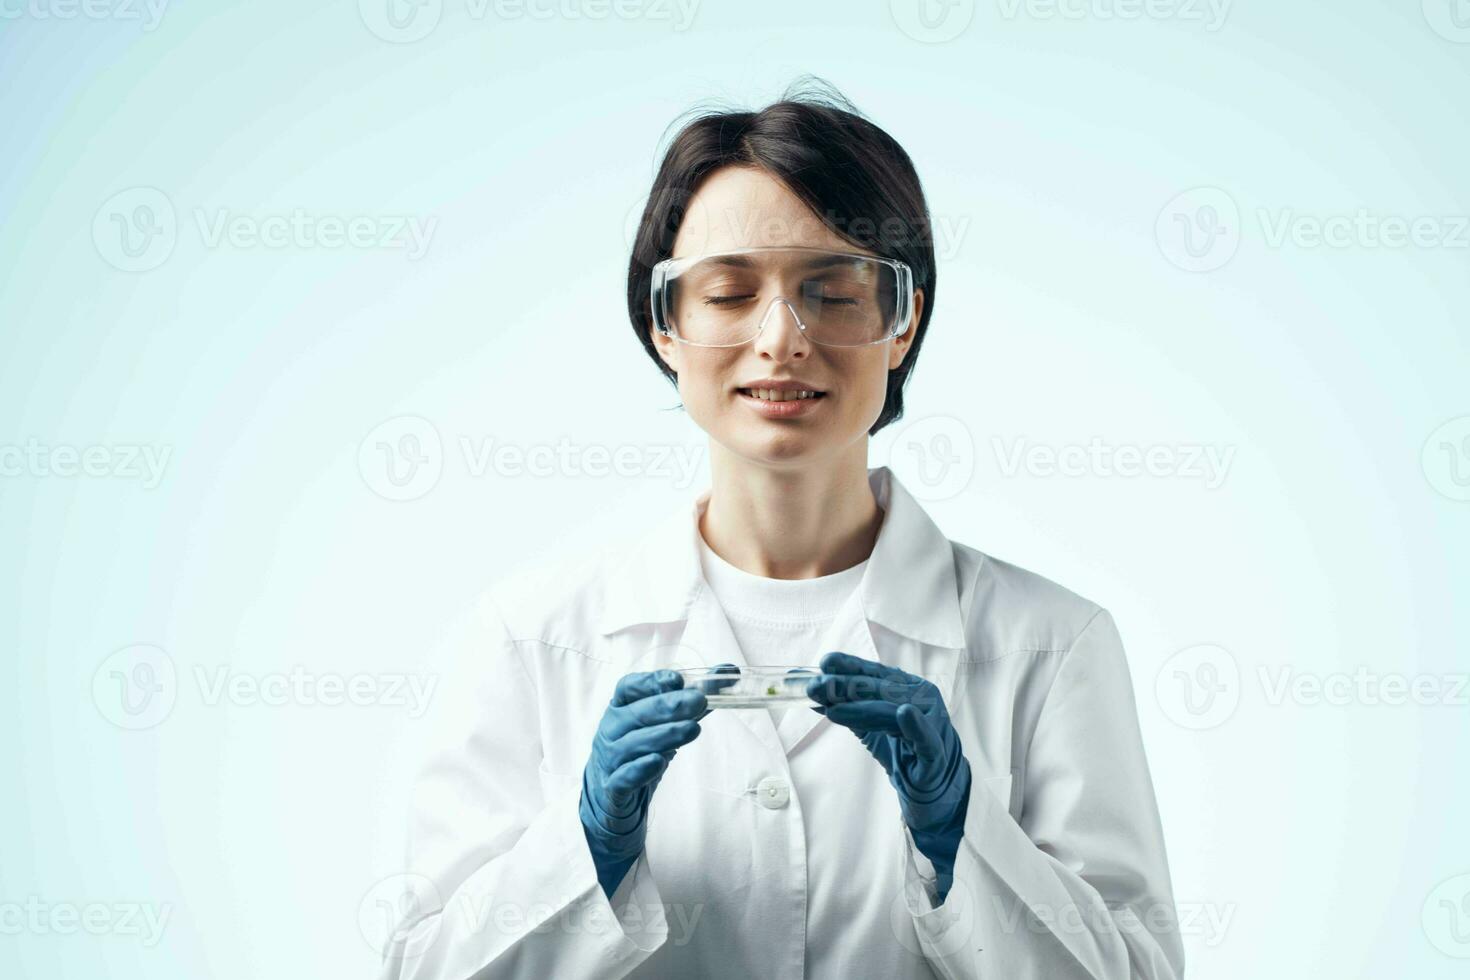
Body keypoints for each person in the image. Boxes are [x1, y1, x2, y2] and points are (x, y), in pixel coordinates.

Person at [378, 79, 1184, 979]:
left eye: (832, 293)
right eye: (728, 293)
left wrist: (964, 831)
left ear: (901, 320)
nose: (781, 338)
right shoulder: (535, 638)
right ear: (664, 326)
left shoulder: (1051, 645)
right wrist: (586, 848)